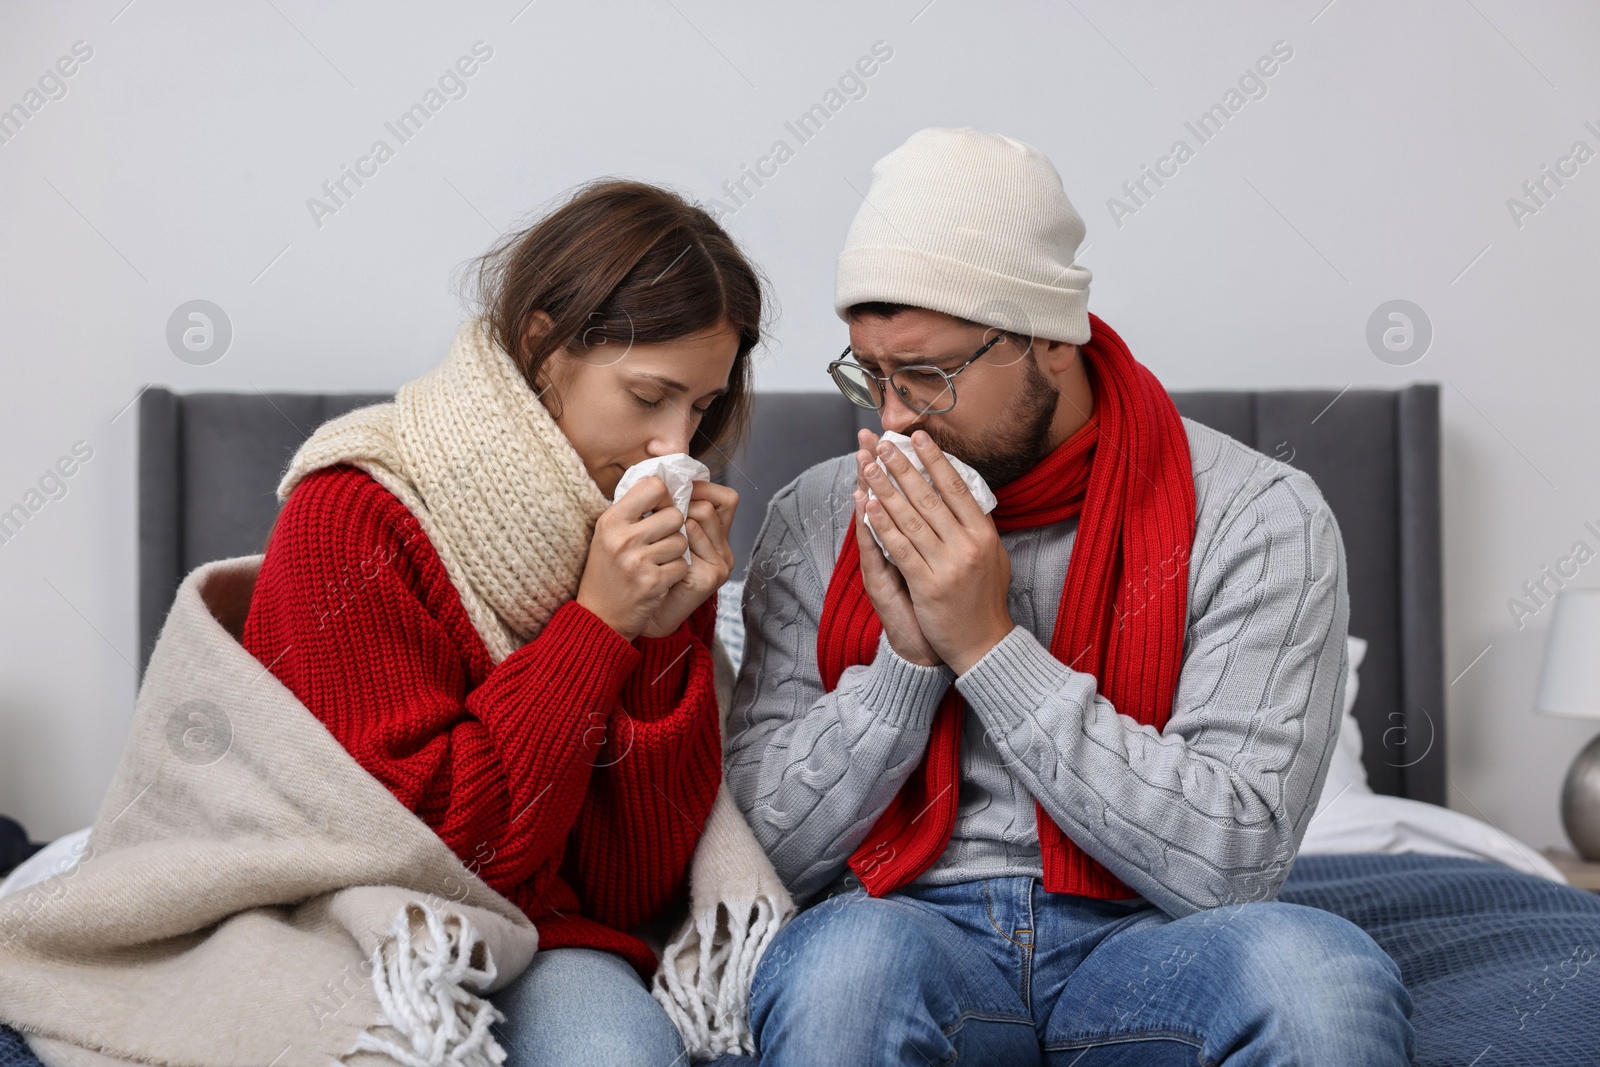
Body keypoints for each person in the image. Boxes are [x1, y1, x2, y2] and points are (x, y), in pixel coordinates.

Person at [726, 127, 1417, 1064]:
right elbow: (761, 856)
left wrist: (988, 648)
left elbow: (1234, 867)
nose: (891, 416)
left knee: (1316, 974)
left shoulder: (1256, 517)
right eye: (871, 374)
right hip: (900, 924)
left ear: (1050, 337)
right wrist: (907, 661)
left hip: (1151, 939)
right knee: (839, 970)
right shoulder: (815, 519)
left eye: (927, 375)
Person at [243, 178, 763, 1064]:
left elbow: (629, 885)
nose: (676, 444)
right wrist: (597, 627)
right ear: (544, 345)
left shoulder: (638, 545)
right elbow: (437, 852)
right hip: (357, 922)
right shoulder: (353, 512)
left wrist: (661, 634)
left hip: (550, 934)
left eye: (702, 407)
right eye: (649, 396)